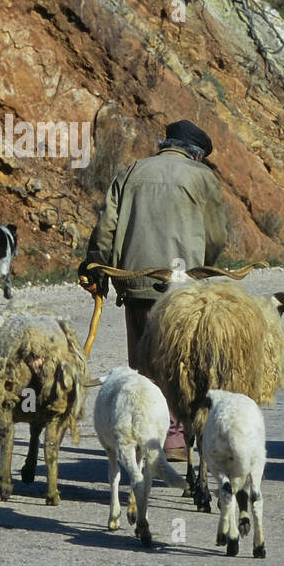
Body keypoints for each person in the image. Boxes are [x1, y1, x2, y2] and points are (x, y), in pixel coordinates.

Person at [78, 119, 229, 460]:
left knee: (145, 365)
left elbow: (106, 227)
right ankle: (175, 439)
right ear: (196, 154)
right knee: (180, 363)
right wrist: (203, 265)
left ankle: (150, 435)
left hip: (135, 285)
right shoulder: (201, 177)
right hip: (182, 289)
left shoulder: (132, 171)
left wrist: (96, 266)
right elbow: (216, 234)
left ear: (166, 144)